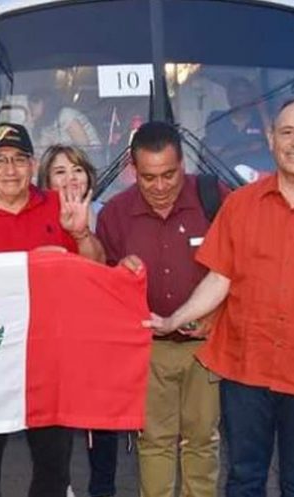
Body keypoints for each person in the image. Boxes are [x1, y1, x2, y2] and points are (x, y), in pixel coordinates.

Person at [147, 98, 294, 496]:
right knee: (244, 478)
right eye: (287, 132)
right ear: (271, 139)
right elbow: (219, 278)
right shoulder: (240, 205)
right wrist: (172, 320)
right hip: (246, 367)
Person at [0, 122, 104, 497]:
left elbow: (96, 269)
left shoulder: (57, 204)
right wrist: (31, 264)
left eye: (18, 159)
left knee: (53, 465)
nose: (9, 169)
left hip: (49, 357)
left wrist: (80, 234)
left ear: (33, 165)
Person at [96, 121, 225, 497]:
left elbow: (239, 269)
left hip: (205, 347)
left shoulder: (213, 198)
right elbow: (100, 284)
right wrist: (120, 275)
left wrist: (217, 316)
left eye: (169, 174)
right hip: (147, 347)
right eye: (149, 177)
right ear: (133, 171)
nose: (160, 186)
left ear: (183, 164)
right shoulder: (115, 215)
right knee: (154, 441)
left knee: (203, 440)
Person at [37, 144, 116, 497]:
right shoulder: (38, 218)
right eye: (59, 172)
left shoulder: (111, 214)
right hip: (55, 338)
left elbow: (104, 268)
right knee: (57, 425)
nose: (70, 178)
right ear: (45, 181)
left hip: (100, 335)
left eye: (77, 170)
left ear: (90, 176)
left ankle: (103, 489)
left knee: (103, 427)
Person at [204, 76, 273, 171]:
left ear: (250, 97)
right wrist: (248, 148)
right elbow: (215, 158)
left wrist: (262, 109)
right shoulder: (218, 120)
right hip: (226, 178)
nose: (239, 97)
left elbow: (273, 145)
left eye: (244, 93)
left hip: (259, 178)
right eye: (236, 93)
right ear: (229, 96)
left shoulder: (260, 121)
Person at [27, 90, 102, 162]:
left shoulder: (66, 115)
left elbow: (84, 146)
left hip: (91, 158)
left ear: (45, 104)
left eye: (33, 107)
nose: (32, 111)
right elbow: (43, 150)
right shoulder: (44, 124)